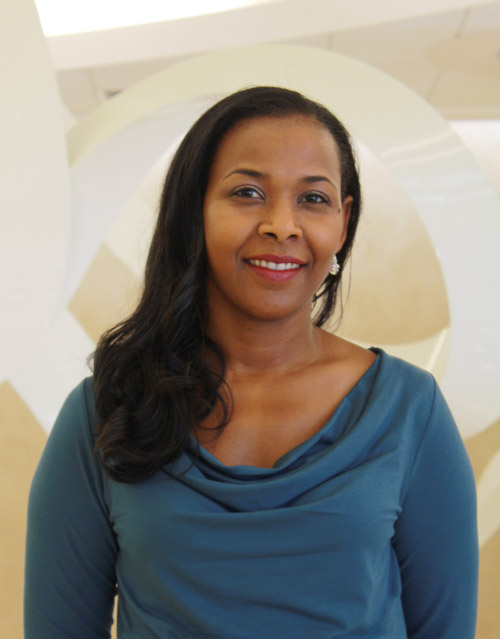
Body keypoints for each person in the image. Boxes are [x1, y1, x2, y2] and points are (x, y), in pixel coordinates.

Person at [24, 86, 478, 639]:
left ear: (343, 222)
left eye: (313, 199)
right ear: (194, 210)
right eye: (247, 192)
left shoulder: (410, 411)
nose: (282, 225)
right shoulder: (104, 412)